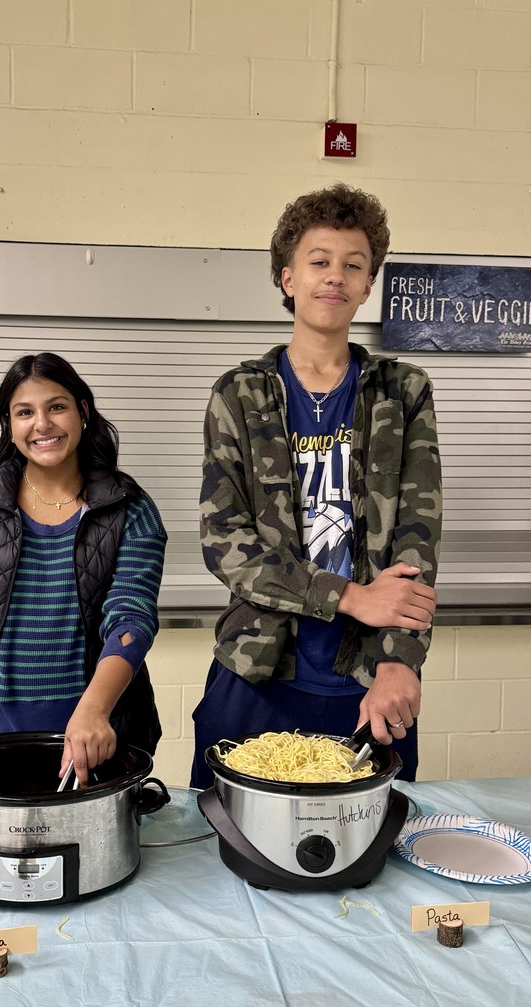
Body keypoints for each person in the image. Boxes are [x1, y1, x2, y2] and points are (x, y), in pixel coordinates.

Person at [191, 182, 441, 789]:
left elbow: (418, 535)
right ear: (287, 278)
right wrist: (349, 596)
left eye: (354, 265)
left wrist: (400, 661)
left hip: (365, 680)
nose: (335, 277)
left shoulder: (401, 391)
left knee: (369, 861)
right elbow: (224, 542)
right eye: (319, 262)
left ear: (368, 284)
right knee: (230, 855)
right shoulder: (240, 393)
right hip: (257, 672)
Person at [0, 352, 166, 797]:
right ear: (9, 424)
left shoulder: (130, 509)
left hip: (94, 743)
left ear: (83, 411)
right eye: (24, 412)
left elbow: (130, 619)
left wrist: (93, 711)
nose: (42, 424)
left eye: (57, 406)